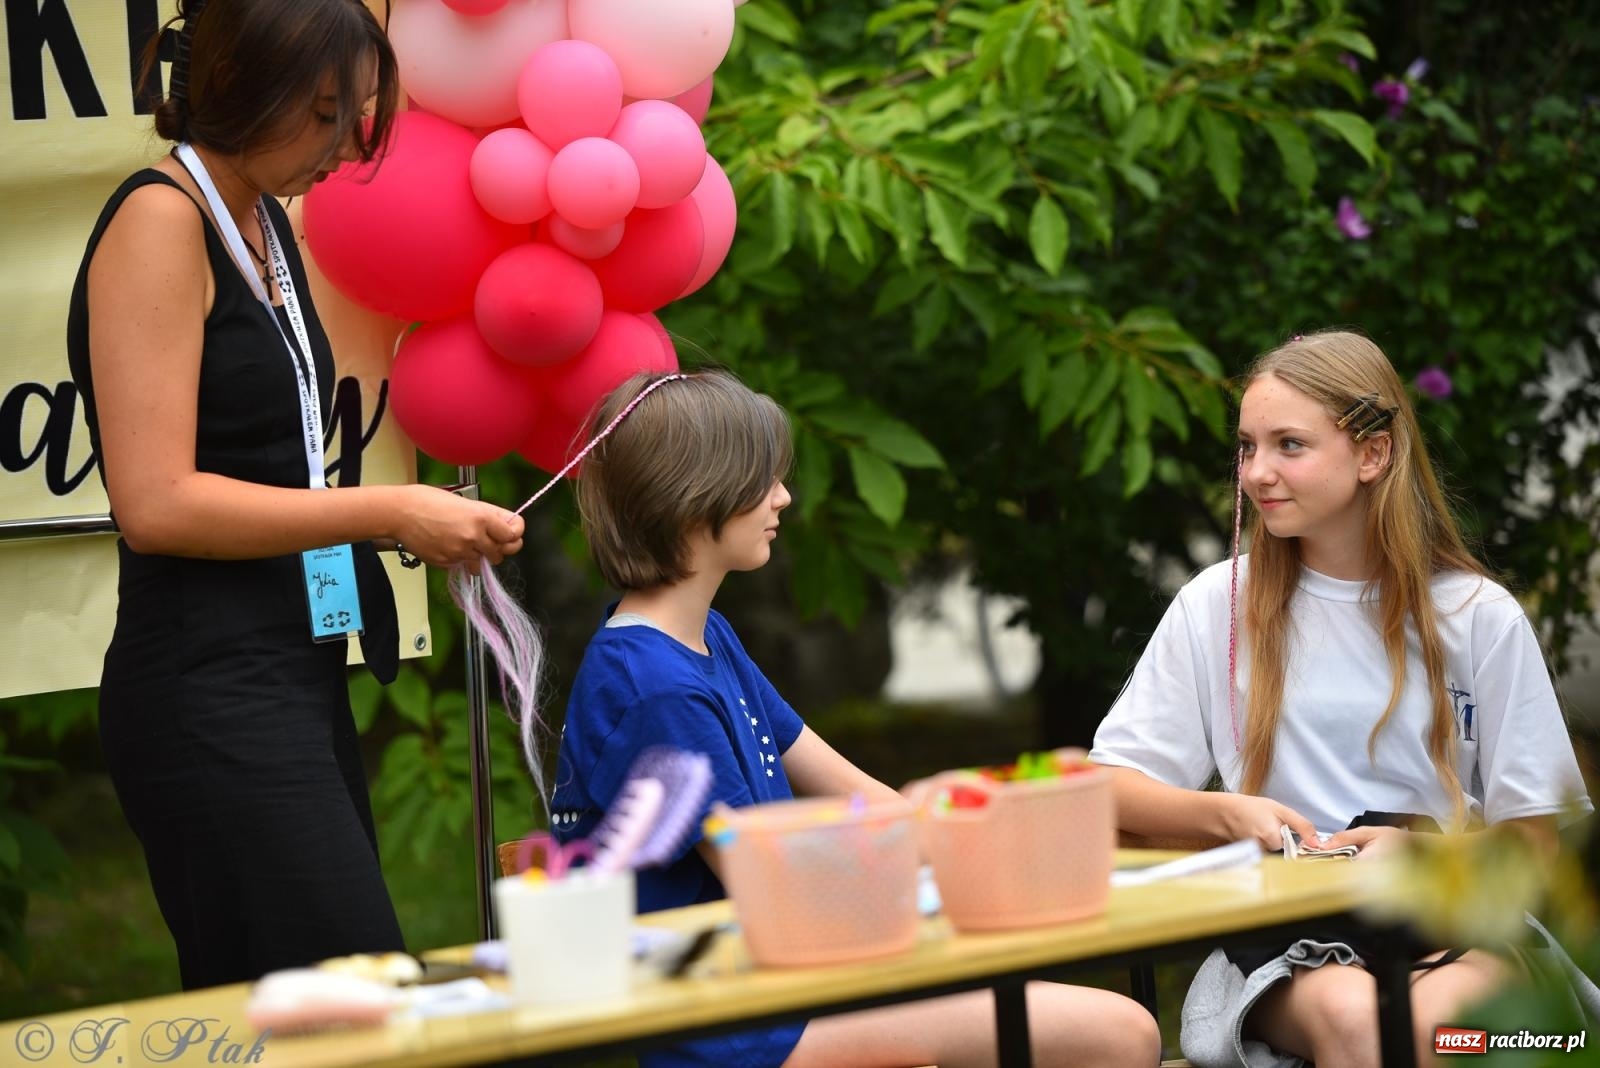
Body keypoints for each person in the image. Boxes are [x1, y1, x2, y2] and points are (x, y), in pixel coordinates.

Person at [64, 0, 524, 989]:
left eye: (352, 115)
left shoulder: (262, 218)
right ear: (239, 88)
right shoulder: (160, 219)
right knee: (355, 999)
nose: (342, 146)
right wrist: (392, 510)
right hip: (206, 683)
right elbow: (156, 504)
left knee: (308, 1014)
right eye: (321, 115)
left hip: (285, 668)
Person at [548, 370, 1160, 1068]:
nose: (782, 497)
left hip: (788, 989)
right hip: (740, 1029)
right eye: (763, 480)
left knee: (1102, 1024)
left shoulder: (705, 638)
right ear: (695, 496)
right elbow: (771, 885)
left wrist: (985, 827)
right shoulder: (653, 685)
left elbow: (853, 791)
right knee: (1121, 1035)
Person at [1088, 331, 1593, 1067]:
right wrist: (1226, 814)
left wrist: (1419, 860)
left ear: (1373, 454)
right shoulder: (1215, 605)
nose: (1257, 472)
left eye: (1289, 445)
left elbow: (1537, 846)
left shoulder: (1478, 616)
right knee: (1365, 1025)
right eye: (1246, 447)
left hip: (1454, 927)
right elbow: (1105, 788)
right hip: (1289, 949)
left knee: (1450, 1035)